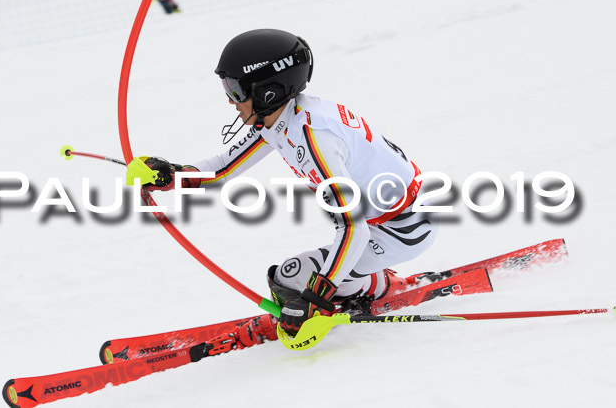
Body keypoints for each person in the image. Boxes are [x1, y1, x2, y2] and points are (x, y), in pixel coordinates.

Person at [139, 29, 437, 336]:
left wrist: (315, 297)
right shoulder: (282, 119)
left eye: (236, 90)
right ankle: (374, 286)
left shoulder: (313, 138)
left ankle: (366, 293)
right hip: (390, 219)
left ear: (268, 90)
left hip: (403, 227)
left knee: (290, 279)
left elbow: (352, 227)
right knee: (299, 282)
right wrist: (170, 176)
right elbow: (221, 170)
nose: (231, 101)